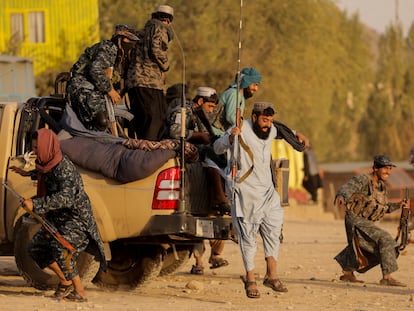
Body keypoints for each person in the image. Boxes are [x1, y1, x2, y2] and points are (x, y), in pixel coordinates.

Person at [213, 102, 293, 298]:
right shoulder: (241, 129)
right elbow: (217, 148)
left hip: (268, 192)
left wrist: (298, 135)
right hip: (245, 192)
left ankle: (271, 275)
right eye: (265, 120)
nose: (268, 124)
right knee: (248, 237)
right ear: (255, 117)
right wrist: (231, 138)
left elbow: (280, 130)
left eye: (270, 120)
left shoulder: (271, 130)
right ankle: (250, 278)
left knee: (274, 232)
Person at [22, 128, 106, 302]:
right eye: (34, 147)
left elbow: (66, 198)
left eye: (38, 148)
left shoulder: (63, 167)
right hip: (58, 218)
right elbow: (45, 172)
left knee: (61, 247)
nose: (35, 152)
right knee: (36, 248)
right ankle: (65, 281)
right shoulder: (48, 163)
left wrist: (35, 204)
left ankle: (80, 291)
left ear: (47, 147)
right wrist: (28, 173)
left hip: (76, 219)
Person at [165, 86, 229, 274]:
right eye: (209, 106)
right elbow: (175, 132)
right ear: (200, 101)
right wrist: (198, 136)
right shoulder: (182, 112)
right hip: (182, 154)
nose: (211, 110)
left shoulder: (201, 116)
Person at [334, 154, 407, 287]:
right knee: (384, 239)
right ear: (375, 168)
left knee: (364, 247)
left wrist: (398, 205)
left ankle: (348, 273)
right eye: (385, 169)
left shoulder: (382, 187)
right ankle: (387, 277)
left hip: (366, 222)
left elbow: (383, 208)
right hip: (354, 218)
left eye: (390, 169)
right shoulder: (363, 179)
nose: (388, 172)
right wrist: (341, 195)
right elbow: (347, 187)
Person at [66, 24, 138, 132]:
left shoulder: (116, 54)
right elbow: (95, 70)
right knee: (101, 121)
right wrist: (110, 90)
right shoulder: (109, 48)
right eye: (128, 40)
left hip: (91, 88)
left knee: (105, 123)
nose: (130, 44)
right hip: (82, 88)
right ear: (120, 39)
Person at [127, 4, 174, 140]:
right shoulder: (160, 27)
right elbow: (157, 49)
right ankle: (149, 152)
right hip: (150, 82)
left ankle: (140, 148)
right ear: (168, 20)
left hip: (135, 81)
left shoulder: (142, 31)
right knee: (156, 119)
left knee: (142, 119)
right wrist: (166, 65)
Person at [209, 67, 262, 136]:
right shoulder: (234, 94)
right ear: (246, 82)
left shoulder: (238, 95)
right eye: (255, 85)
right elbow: (231, 117)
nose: (256, 89)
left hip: (222, 134)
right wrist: (247, 129)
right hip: (215, 134)